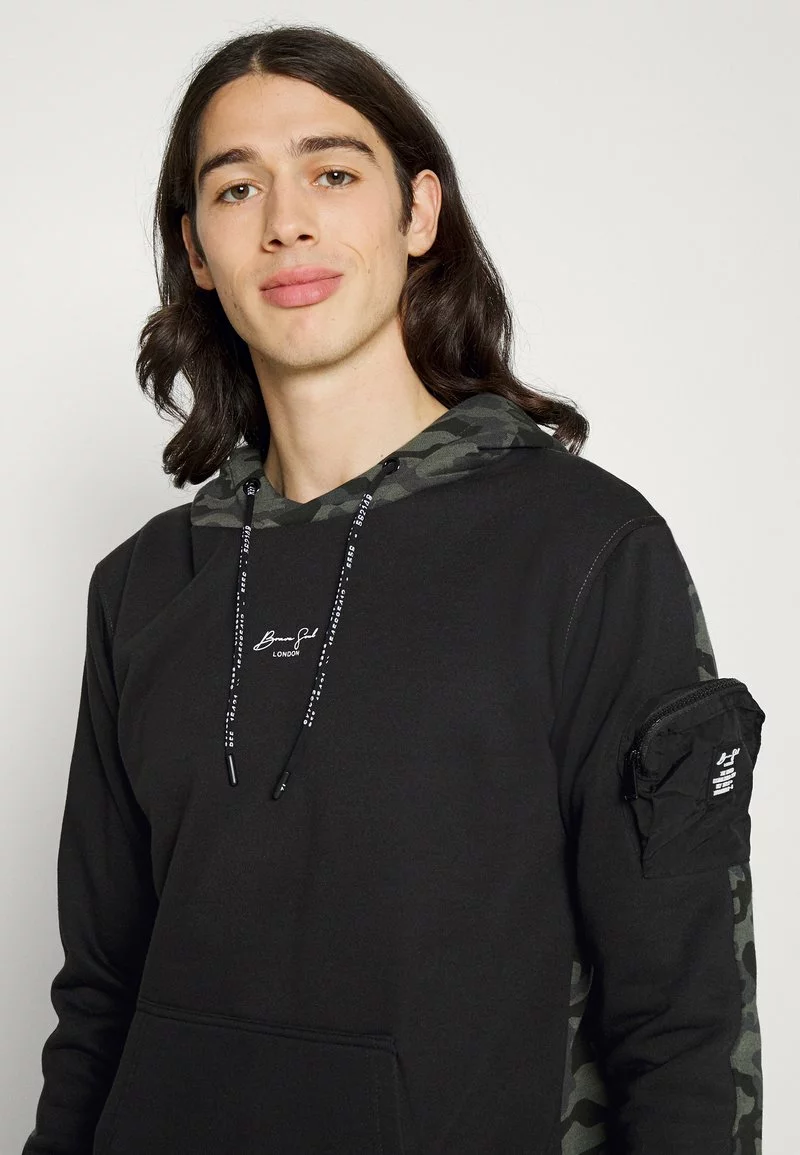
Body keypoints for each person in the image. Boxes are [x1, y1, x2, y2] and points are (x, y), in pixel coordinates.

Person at [23, 23, 765, 1155]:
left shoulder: (587, 551)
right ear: (198, 250)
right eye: (236, 188)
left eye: (331, 173)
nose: (286, 222)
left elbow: (684, 1022)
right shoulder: (139, 586)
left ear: (418, 213)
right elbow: (98, 1000)